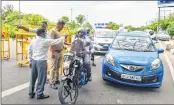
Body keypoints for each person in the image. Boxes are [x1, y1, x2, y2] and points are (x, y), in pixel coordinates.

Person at [28, 27, 65, 99]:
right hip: (41, 62)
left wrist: (30, 60)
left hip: (34, 61)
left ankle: (31, 93)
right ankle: (39, 94)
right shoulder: (45, 41)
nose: (46, 34)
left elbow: (30, 51)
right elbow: (56, 41)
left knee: (33, 77)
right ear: (42, 33)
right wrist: (63, 37)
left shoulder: (33, 41)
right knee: (42, 78)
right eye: (45, 32)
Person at [47, 20, 70, 89]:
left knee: (58, 67)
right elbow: (50, 42)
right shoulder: (53, 31)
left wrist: (66, 46)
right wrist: (52, 52)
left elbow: (61, 42)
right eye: (62, 26)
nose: (63, 27)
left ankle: (56, 79)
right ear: (59, 25)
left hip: (60, 52)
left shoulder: (59, 32)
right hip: (55, 52)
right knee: (53, 68)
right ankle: (52, 82)